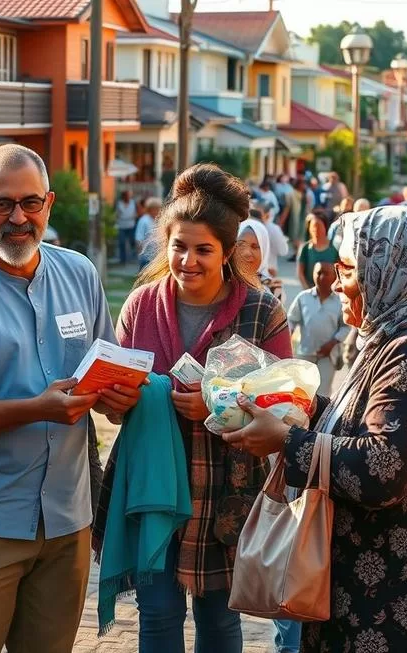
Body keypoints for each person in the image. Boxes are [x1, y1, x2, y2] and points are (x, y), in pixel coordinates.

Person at [223, 206, 407, 652]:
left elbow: (383, 469)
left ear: (385, 271)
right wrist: (304, 407)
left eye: (349, 268)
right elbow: (371, 422)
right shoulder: (397, 336)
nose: (338, 278)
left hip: (402, 601)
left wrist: (288, 442)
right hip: (380, 590)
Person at [0, 144, 142, 653]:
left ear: (49, 204)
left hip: (68, 512)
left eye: (30, 203)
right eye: (1, 204)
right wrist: (38, 408)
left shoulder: (80, 273)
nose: (17, 218)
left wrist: (118, 398)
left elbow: (105, 376)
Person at [94, 163, 291, 653]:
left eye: (203, 249)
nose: (188, 261)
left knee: (219, 622)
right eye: (179, 246)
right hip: (150, 486)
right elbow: (117, 403)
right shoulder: (140, 306)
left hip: (225, 487)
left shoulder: (260, 311)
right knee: (157, 618)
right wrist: (116, 402)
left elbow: (287, 408)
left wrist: (215, 402)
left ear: (227, 253)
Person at [288, 261, 350, 395]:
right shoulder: (303, 297)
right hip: (304, 353)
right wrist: (288, 336)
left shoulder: (341, 301)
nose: (321, 277)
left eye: (326, 273)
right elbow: (291, 320)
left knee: (322, 393)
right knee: (301, 392)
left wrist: (333, 343)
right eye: (318, 273)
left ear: (334, 277)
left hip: (328, 356)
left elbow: (346, 327)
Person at [296, 213, 339, 289]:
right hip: (310, 289)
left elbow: (340, 271)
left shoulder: (334, 248)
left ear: (325, 227)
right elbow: (300, 272)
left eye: (318, 226)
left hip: (331, 291)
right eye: (313, 227)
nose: (315, 230)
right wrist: (307, 289)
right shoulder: (305, 248)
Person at [135, 196, 162, 270]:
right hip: (146, 256)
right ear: (149, 209)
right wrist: (139, 254)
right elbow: (138, 238)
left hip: (157, 257)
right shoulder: (144, 220)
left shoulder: (160, 220)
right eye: (155, 209)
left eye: (158, 208)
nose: (157, 211)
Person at [116, 189, 138, 264]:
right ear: (124, 196)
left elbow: (136, 212)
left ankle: (132, 257)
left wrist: (134, 216)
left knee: (132, 241)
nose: (129, 197)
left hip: (131, 225)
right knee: (122, 243)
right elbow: (117, 214)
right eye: (127, 196)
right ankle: (123, 259)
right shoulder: (119, 203)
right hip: (122, 226)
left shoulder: (133, 202)